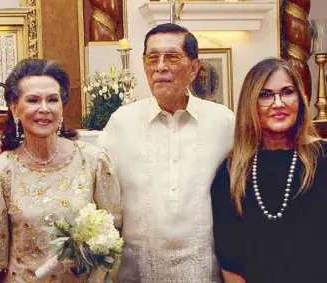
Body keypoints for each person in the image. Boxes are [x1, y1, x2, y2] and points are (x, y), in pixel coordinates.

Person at [96, 23, 235, 282]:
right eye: (152, 58)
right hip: (137, 270)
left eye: (171, 57)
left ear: (194, 68)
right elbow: (94, 180)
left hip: (203, 269)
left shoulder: (223, 122)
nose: (160, 67)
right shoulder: (122, 122)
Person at [0, 58, 122, 283]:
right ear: (14, 108)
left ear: (62, 106)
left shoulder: (93, 161)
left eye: (53, 100)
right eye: (33, 100)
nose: (44, 109)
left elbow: (113, 235)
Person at [211, 58, 327, 283]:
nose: (278, 103)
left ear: (300, 100)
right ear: (250, 103)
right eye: (265, 95)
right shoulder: (231, 172)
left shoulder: (322, 158)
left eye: (287, 92)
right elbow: (229, 259)